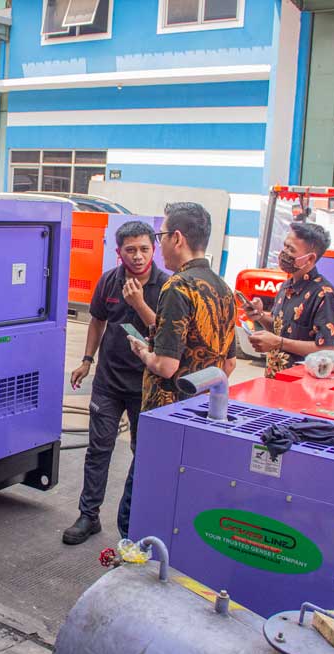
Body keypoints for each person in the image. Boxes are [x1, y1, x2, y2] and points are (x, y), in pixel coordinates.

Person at [124, 202, 236, 538]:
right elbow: (228, 364)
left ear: (177, 238)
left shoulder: (179, 286)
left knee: (136, 510)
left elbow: (166, 365)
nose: (157, 247)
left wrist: (145, 353)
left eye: (159, 237)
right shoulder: (223, 288)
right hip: (202, 415)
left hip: (166, 419)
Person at [62, 221, 170, 545]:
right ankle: (88, 515)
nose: (138, 256)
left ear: (154, 249)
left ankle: (135, 523)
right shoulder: (109, 281)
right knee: (98, 449)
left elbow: (164, 333)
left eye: (144, 249)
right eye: (130, 250)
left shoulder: (166, 287)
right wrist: (86, 360)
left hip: (146, 386)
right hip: (108, 382)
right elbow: (97, 321)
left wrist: (139, 303)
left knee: (144, 454)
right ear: (118, 252)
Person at [243, 222, 334, 378]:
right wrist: (260, 316)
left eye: (291, 250)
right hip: (274, 380)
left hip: (301, 386)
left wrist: (279, 343)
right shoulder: (286, 286)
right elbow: (281, 329)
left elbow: (330, 350)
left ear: (310, 259)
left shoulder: (325, 295)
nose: (284, 253)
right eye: (285, 246)